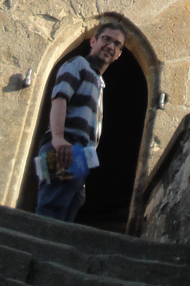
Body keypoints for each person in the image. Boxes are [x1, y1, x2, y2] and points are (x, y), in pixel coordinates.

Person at [34, 21, 125, 222]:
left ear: (119, 54)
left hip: (77, 154)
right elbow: (59, 98)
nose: (110, 46)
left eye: (117, 44)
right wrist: (58, 139)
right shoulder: (78, 64)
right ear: (93, 41)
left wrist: (82, 178)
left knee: (64, 216)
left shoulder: (98, 82)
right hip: (63, 148)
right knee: (50, 212)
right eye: (106, 39)